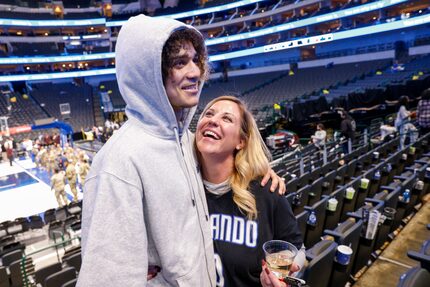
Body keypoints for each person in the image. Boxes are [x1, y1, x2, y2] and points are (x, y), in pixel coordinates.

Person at [78, 15, 284, 286]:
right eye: (179, 62)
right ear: (149, 73)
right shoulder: (118, 162)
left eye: (195, 60)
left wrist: (258, 168)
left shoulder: (186, 141)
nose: (196, 72)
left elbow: (226, 156)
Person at [195, 96, 305, 287]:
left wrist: (280, 275)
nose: (213, 120)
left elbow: (298, 249)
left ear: (241, 141)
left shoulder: (266, 191)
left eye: (227, 118)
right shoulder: (183, 190)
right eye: (209, 114)